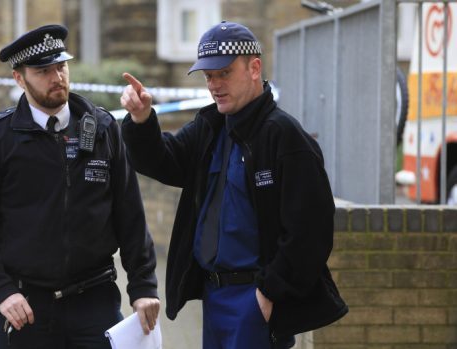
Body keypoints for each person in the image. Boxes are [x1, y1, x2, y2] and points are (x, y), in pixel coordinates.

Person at [120, 21, 348, 349]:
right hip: (215, 298)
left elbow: (310, 231)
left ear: (254, 67)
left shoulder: (284, 136)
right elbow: (164, 161)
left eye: (224, 73)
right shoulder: (211, 126)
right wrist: (142, 120)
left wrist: (270, 292)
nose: (214, 85)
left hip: (255, 299)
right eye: (209, 76)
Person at [0, 24, 160, 349]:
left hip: (95, 303)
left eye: (61, 66)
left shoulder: (103, 128)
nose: (57, 77)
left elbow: (130, 216)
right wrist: (1, 291)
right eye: (43, 71)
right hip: (25, 308)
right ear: (19, 79)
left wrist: (144, 286)